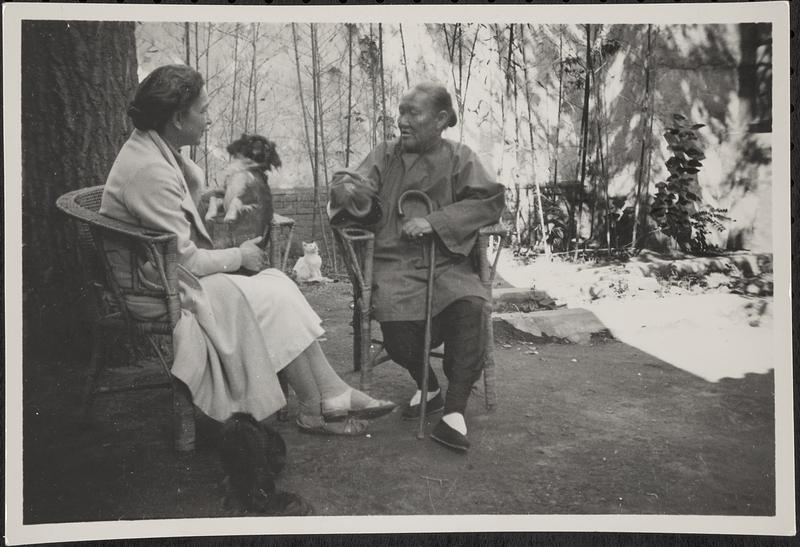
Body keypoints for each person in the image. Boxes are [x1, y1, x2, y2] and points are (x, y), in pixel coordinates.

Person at [99, 64, 395, 436]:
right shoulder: (150, 170)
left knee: (278, 285)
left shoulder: (156, 152)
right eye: (203, 111)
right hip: (156, 288)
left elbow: (177, 229)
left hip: (164, 273)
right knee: (272, 294)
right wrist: (239, 255)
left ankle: (327, 397)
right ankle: (321, 403)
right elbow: (183, 259)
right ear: (177, 118)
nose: (209, 120)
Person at [328, 83, 505, 452]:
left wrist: (436, 221)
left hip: (448, 264)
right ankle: (429, 386)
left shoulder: (461, 157)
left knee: (472, 305)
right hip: (395, 265)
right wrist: (349, 190)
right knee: (397, 331)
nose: (402, 121)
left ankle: (454, 412)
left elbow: (489, 200)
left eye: (413, 114)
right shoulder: (386, 155)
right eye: (401, 112)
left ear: (441, 119)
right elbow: (354, 182)